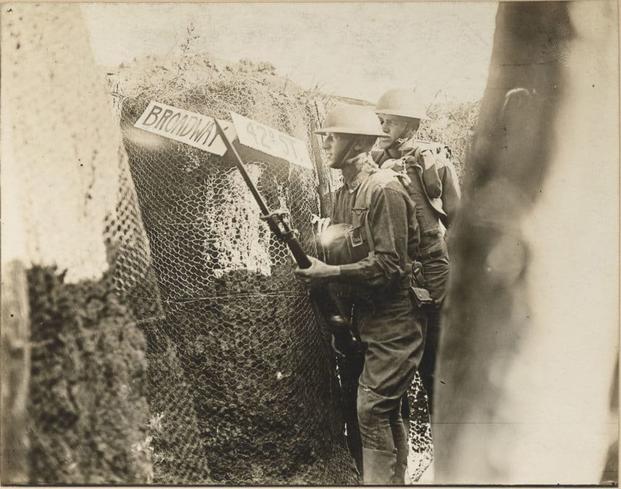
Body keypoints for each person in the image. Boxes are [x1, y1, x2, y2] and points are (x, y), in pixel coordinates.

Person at [295, 104, 425, 484]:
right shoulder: (343, 194)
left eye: (333, 138)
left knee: (372, 409)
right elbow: (338, 245)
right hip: (362, 316)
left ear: (355, 145)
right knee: (381, 411)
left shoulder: (385, 191)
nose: (326, 146)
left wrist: (329, 272)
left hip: (395, 318)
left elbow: (390, 266)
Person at [372, 88, 461, 414]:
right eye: (381, 120)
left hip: (432, 268)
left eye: (390, 122)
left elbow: (459, 223)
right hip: (394, 269)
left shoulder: (435, 163)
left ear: (410, 126)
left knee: (436, 366)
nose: (383, 128)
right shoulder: (375, 162)